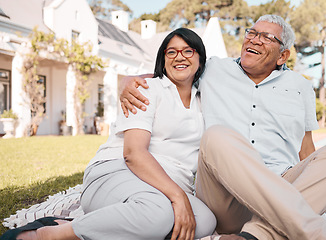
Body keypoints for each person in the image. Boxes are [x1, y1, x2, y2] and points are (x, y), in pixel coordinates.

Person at [119, 15, 326, 240]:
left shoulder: (301, 86)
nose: (255, 39)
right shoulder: (213, 68)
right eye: (252, 33)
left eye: (267, 37)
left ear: (282, 56)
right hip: (224, 195)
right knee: (216, 136)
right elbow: (174, 72)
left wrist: (317, 186)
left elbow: (306, 149)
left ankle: (255, 235)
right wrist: (131, 82)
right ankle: (318, 233)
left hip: (284, 185)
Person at [1, 28, 216, 240]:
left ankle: (110, 226)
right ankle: (53, 234)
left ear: (200, 60)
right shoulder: (146, 89)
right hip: (119, 172)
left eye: (188, 51)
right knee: (158, 214)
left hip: (166, 186)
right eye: (171, 52)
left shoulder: (203, 101)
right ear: (163, 59)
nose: (179, 56)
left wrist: (178, 194)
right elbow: (133, 154)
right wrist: (178, 196)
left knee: (205, 221)